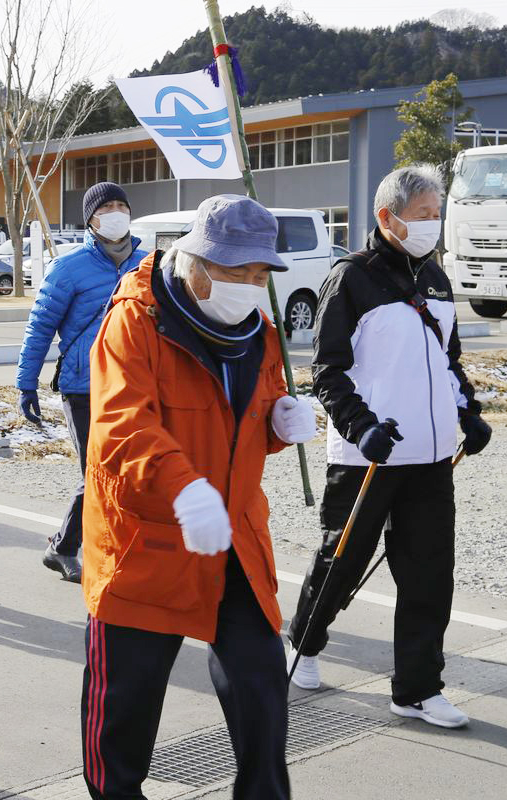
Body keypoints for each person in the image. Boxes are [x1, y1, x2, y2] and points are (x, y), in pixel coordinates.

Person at [79, 195, 313, 799]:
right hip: (146, 543)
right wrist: (183, 489)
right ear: (197, 262)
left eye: (261, 274)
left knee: (263, 695)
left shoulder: (259, 333)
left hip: (233, 535)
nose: (250, 286)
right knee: (122, 725)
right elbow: (121, 427)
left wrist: (280, 422)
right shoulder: (135, 321)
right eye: (237, 272)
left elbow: (251, 416)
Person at [286, 165, 490, 729]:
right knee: (343, 560)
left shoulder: (437, 281)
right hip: (367, 456)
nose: (433, 225)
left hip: (429, 458)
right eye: (423, 216)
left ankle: (418, 688)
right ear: (388, 217)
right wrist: (361, 426)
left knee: (429, 575)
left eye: (436, 215)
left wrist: (469, 414)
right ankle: (303, 642)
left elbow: (448, 363)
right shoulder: (350, 279)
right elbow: (327, 372)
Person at [17, 181, 147, 583]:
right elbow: (39, 328)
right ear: (90, 218)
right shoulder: (68, 267)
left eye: (120, 205)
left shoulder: (149, 264)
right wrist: (26, 383)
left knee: (132, 473)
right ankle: (64, 548)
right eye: (106, 207)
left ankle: (111, 546)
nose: (115, 213)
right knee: (96, 471)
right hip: (84, 385)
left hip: (135, 386)